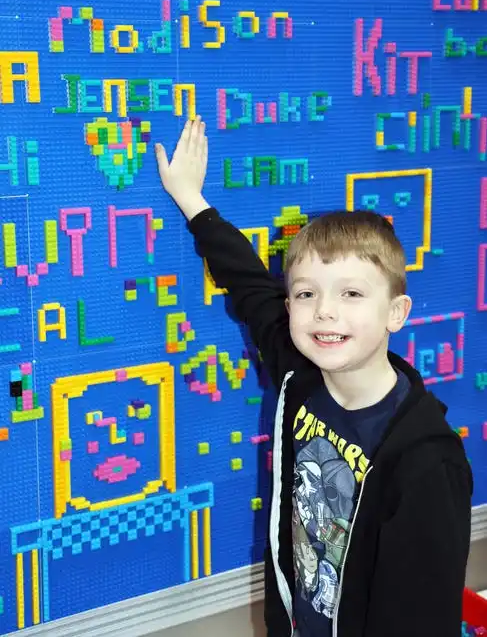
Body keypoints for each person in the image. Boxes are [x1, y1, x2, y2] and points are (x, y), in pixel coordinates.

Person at [155, 116, 473, 637]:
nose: (324, 311)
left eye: (351, 293)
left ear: (396, 312)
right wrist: (192, 200)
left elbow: (419, 617)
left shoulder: (426, 465)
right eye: (306, 293)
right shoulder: (298, 374)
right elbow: (248, 282)